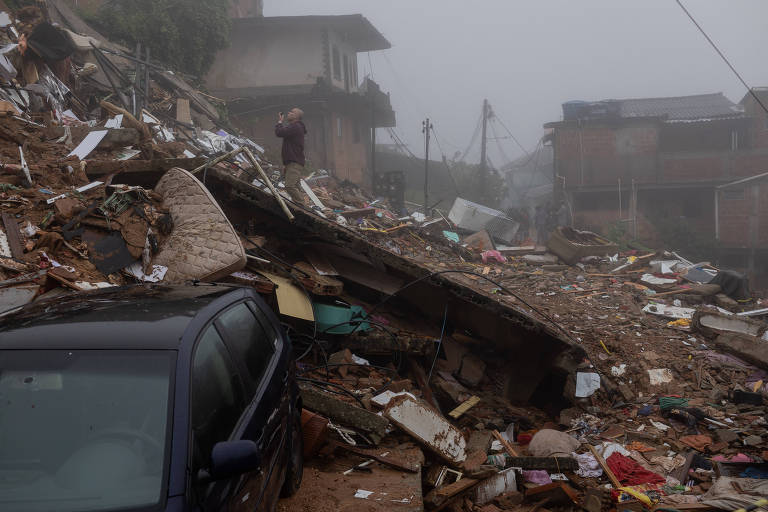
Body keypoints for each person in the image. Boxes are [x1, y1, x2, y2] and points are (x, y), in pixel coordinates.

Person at [275, 108, 308, 204]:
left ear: (297, 116)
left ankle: (302, 206)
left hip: (294, 162)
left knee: (289, 186)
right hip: (293, 162)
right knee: (296, 186)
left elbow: (279, 132)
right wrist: (286, 164)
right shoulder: (295, 127)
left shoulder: (296, 126)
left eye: (292, 112)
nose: (289, 113)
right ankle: (301, 205)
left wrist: (280, 121)